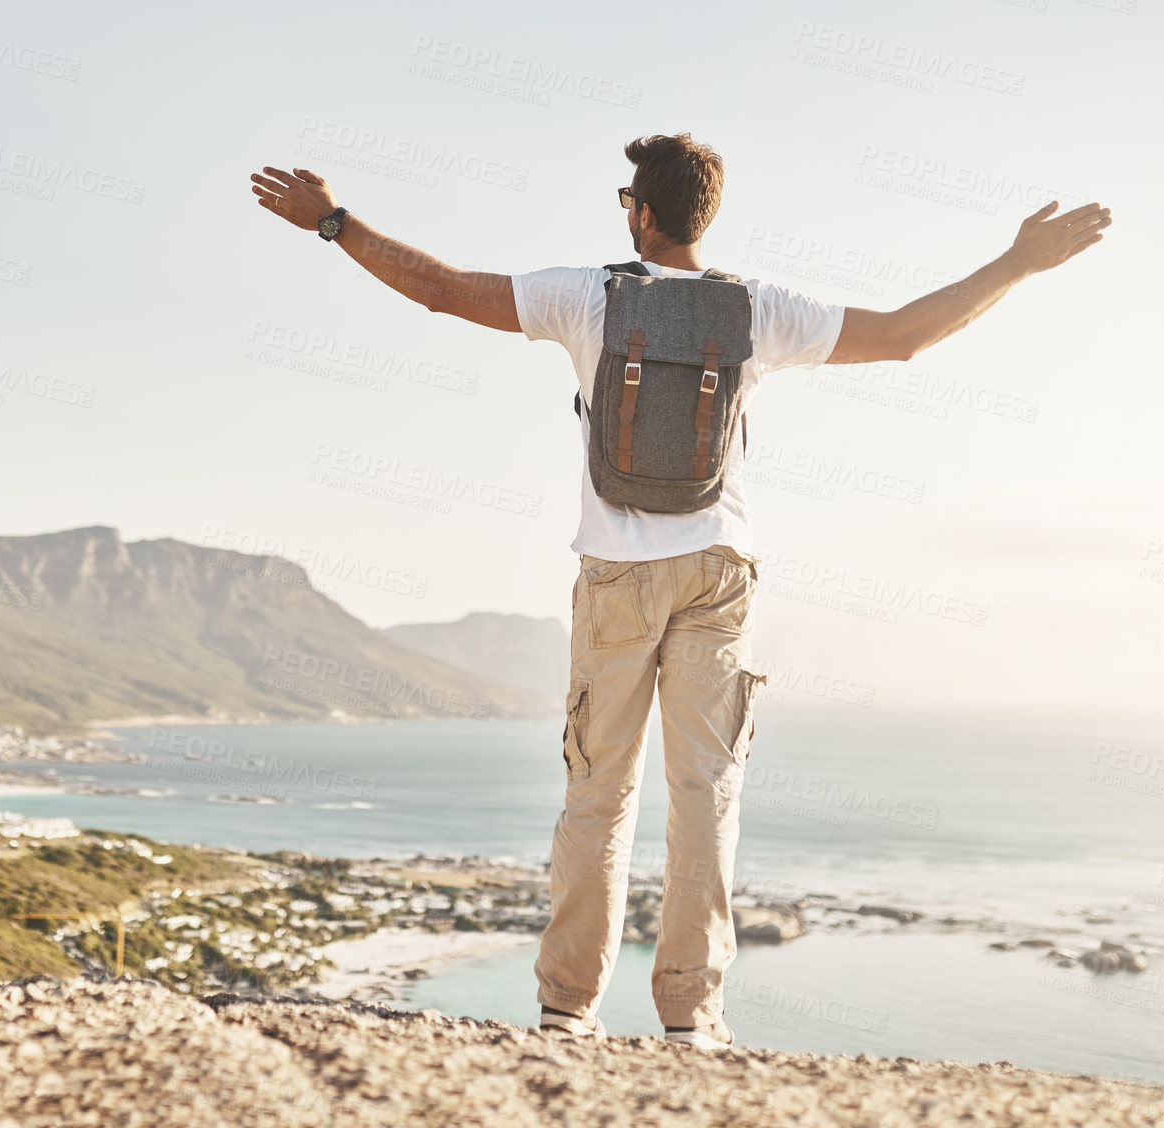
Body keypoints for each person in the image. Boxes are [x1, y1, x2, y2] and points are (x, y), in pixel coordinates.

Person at [249, 133, 1110, 1049]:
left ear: (640, 212)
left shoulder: (585, 295)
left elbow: (443, 288)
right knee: (705, 795)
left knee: (598, 793)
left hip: (614, 574)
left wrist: (334, 222)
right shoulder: (756, 311)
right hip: (717, 573)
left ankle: (566, 1009)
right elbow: (903, 336)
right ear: (706, 215)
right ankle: (690, 1021)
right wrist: (1020, 260)